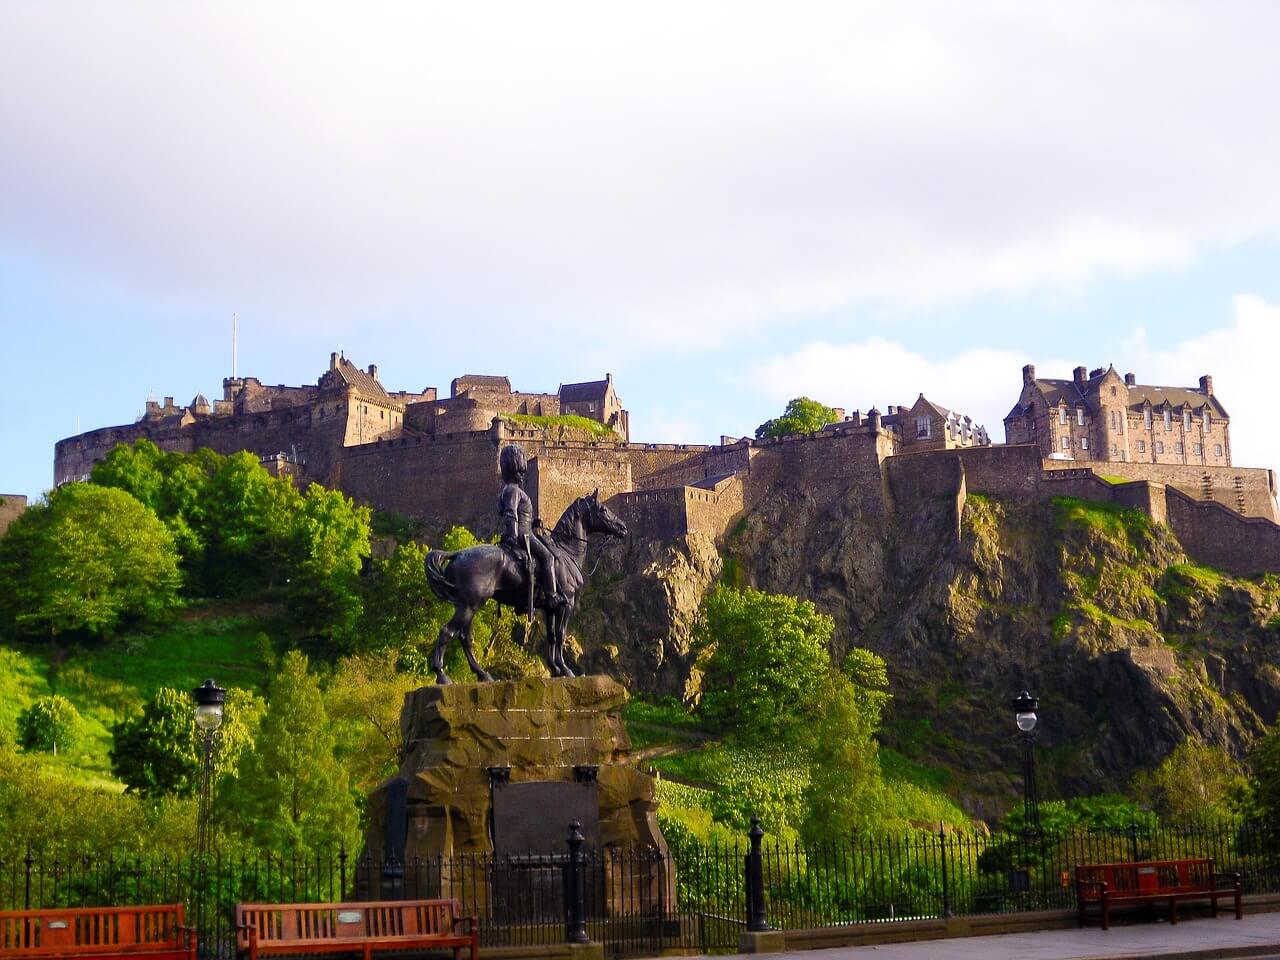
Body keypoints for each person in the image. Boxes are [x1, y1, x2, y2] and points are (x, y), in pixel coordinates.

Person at [497, 444, 565, 608]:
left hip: (523, 531)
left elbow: (514, 514)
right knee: (548, 557)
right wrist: (513, 536)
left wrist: (533, 522)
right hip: (523, 536)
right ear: (515, 470)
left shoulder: (507, 490)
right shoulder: (514, 491)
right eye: (520, 471)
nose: (523, 475)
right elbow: (510, 513)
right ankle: (551, 596)